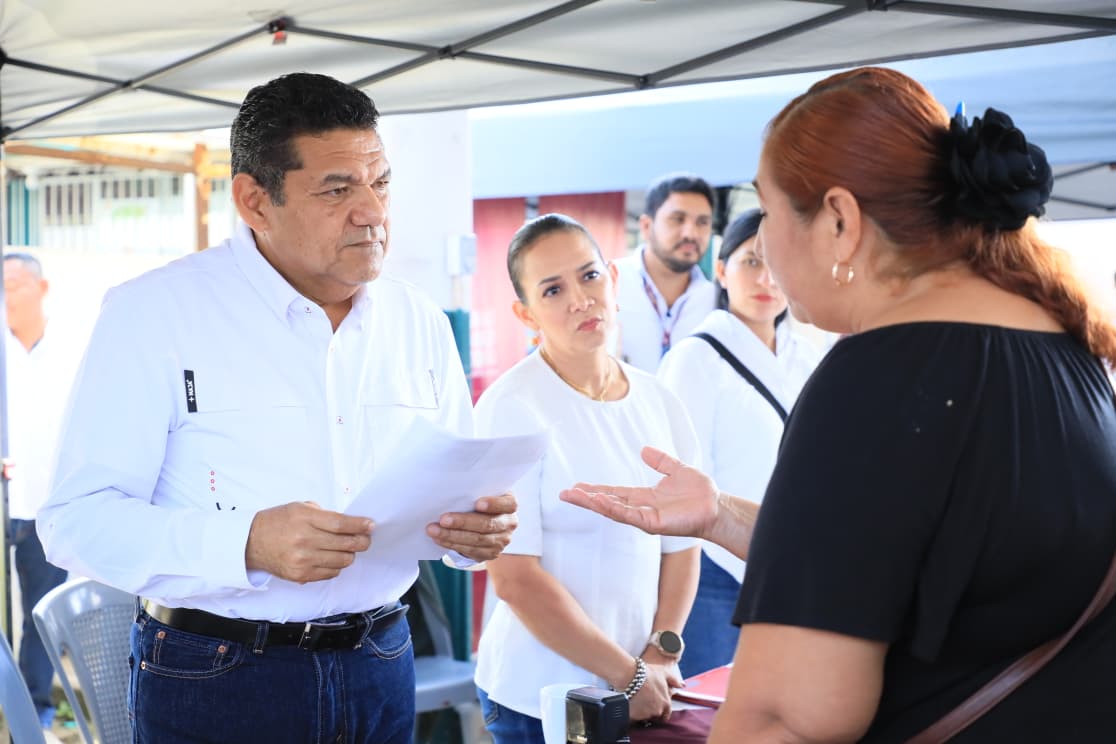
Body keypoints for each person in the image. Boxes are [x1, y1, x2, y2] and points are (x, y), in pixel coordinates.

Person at [562, 66, 1116, 742]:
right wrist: (722, 516)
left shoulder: (880, 376)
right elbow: (930, 557)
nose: (762, 241)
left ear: (839, 220)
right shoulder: (1067, 349)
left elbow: (783, 717)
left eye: (767, 211)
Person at [37, 72, 517, 744]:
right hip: (218, 674)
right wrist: (248, 542)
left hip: (381, 659)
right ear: (254, 201)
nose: (373, 212)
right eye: (338, 189)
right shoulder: (154, 313)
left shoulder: (419, 322)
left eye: (381, 183)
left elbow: (454, 497)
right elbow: (74, 523)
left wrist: (473, 538)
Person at [472, 213, 701, 743]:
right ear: (525, 313)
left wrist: (661, 651)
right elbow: (515, 578)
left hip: (643, 686)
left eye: (590, 276)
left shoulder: (660, 401)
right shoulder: (512, 407)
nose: (580, 298)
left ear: (614, 281)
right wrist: (629, 674)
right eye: (552, 290)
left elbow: (684, 543)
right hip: (541, 697)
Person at [656, 211, 820, 678]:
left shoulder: (808, 356)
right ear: (723, 270)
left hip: (790, 561)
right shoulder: (695, 357)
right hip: (713, 568)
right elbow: (681, 473)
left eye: (778, 263)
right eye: (751, 261)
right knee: (713, 708)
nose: (766, 278)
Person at [3, 252, 76, 730]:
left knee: (38, 617)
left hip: (46, 508)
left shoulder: (72, 352)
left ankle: (35, 716)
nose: (4, 298)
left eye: (12, 285)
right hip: (6, 501)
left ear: (42, 289)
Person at [614, 173, 719, 372]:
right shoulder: (608, 285)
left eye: (702, 222)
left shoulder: (718, 300)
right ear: (646, 226)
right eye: (677, 219)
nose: (690, 233)